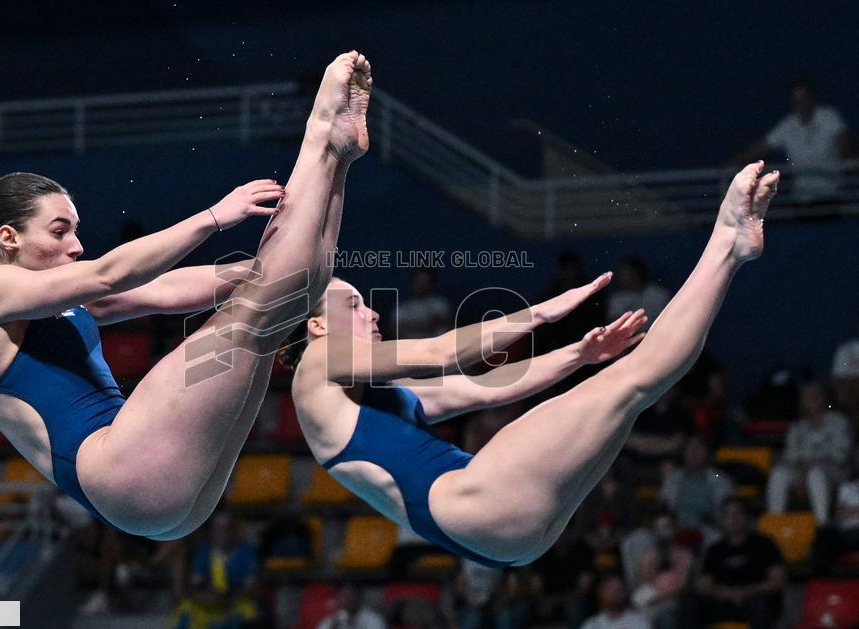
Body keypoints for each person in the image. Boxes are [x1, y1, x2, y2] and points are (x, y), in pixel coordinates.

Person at [0, 52, 372, 539]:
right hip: (120, 468)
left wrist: (260, 270)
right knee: (267, 300)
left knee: (278, 300)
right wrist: (213, 217)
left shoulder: (51, 301)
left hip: (154, 493)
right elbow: (109, 274)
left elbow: (165, 289)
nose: (77, 245)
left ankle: (337, 158)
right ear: (9, 238)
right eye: (60, 231)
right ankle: (321, 133)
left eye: (77, 231)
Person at [287, 161, 778, 567]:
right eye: (351, 305)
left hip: (507, 537)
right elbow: (440, 351)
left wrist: (578, 354)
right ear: (317, 326)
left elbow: (492, 388)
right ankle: (726, 246)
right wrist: (543, 311)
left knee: (632, 392)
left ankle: (729, 251)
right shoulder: (319, 364)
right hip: (480, 504)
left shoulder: (363, 401)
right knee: (634, 381)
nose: (370, 311)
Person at [682, 497, 786, 629]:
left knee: (762, 606)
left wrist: (745, 592)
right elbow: (704, 585)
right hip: (725, 600)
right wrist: (723, 593)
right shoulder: (715, 549)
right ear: (722, 520)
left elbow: (777, 580)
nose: (733, 519)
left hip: (755, 598)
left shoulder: (764, 543)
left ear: (747, 517)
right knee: (690, 605)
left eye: (738, 514)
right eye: (728, 515)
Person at [731, 79, 851, 203]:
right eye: (796, 99)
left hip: (832, 194)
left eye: (804, 97)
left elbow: (844, 144)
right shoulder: (788, 125)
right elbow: (762, 146)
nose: (801, 102)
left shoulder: (829, 117)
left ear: (812, 97)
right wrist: (735, 162)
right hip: (802, 198)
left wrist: (849, 156)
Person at [765, 380, 852, 525]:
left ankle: (822, 526)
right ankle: (775, 523)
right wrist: (803, 465)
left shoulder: (839, 421)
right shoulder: (798, 427)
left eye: (815, 395)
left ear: (824, 398)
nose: (811, 400)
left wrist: (813, 463)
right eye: (807, 397)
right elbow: (791, 456)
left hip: (834, 472)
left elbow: (840, 455)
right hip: (802, 470)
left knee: (815, 474)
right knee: (779, 474)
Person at [166, 512, 259, 629]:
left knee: (249, 612)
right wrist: (204, 596)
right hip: (209, 603)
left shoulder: (246, 553)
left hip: (234, 602)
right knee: (185, 609)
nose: (222, 533)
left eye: (226, 528)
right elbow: (195, 584)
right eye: (218, 528)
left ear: (234, 530)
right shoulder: (205, 552)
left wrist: (229, 597)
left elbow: (251, 587)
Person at [660, 435, 733, 533]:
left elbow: (725, 517)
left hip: (709, 532)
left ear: (707, 452)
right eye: (689, 448)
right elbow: (664, 510)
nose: (693, 452)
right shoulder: (673, 478)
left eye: (698, 448)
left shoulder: (720, 479)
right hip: (675, 531)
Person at [811, 446, 859, 575]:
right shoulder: (847, 485)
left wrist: (851, 511)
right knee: (824, 535)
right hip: (847, 532)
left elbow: (846, 511)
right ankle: (823, 584)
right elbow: (840, 515)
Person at [576, 574, 655, 629]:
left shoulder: (640, 622)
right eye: (609, 588)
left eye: (618, 589)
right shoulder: (589, 627)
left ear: (625, 592)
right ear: (601, 593)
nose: (614, 592)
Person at [605, 256, 671, 325]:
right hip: (628, 335)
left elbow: (668, 320)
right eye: (622, 273)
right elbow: (614, 323)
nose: (623, 277)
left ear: (638, 272)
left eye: (627, 272)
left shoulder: (659, 294)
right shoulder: (616, 299)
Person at [314, 584, 390, 629]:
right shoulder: (328, 622)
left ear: (358, 599)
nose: (348, 601)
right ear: (338, 599)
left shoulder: (373, 620)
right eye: (344, 596)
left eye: (351, 597)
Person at [393, 267, 452, 339]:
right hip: (409, 347)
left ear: (431, 283)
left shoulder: (440, 304)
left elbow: (445, 324)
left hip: (437, 346)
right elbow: (395, 329)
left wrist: (412, 324)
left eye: (424, 281)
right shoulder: (402, 308)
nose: (421, 285)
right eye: (418, 281)